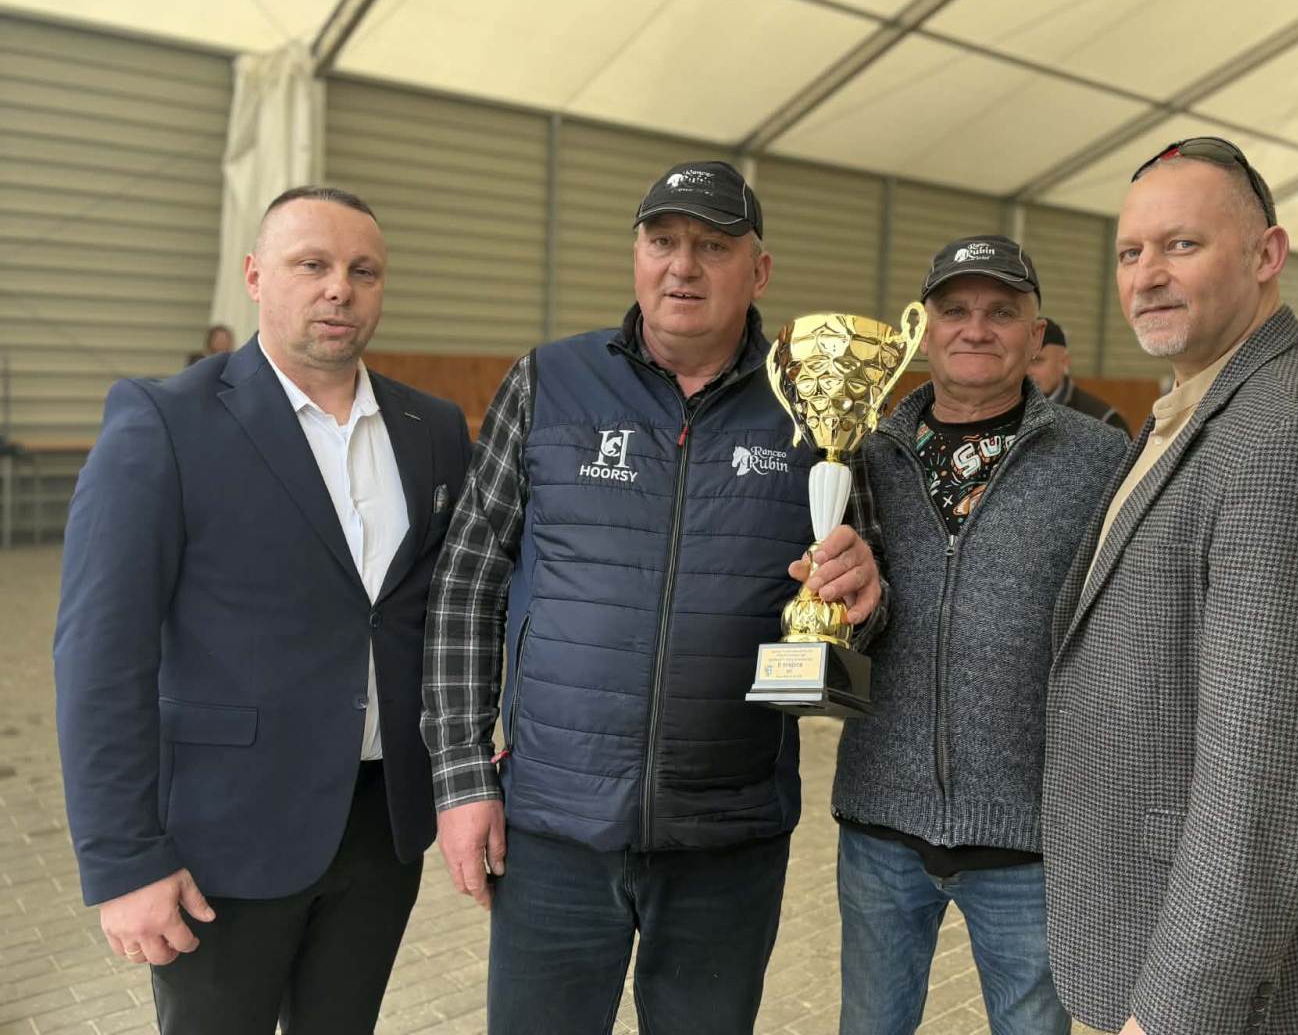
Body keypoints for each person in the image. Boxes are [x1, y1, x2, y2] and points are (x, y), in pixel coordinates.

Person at [421, 160, 885, 1034]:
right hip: (552, 828)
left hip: (729, 838)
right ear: (635, 254)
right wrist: (461, 779)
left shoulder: (818, 404)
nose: (683, 267)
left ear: (759, 270)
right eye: (663, 241)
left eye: (713, 246)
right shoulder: (548, 381)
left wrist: (865, 596)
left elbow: (867, 601)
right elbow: (467, 585)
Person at [53, 186, 471, 1034]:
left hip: (380, 826)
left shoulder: (431, 428)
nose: (339, 288)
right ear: (253, 275)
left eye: (363, 271)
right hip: (224, 839)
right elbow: (100, 654)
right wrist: (125, 861)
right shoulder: (165, 423)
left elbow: (450, 613)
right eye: (311, 265)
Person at [1041, 137, 1298, 1034]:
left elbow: (1269, 770)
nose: (1147, 275)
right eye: (1130, 252)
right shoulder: (1205, 404)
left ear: (1266, 255)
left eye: (1182, 245)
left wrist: (1178, 1010)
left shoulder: (1289, 436)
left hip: (1232, 985)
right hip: (1156, 919)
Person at [831, 236, 1126, 1035]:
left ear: (1036, 334)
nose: (976, 328)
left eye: (1002, 311)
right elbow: (845, 619)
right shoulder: (860, 453)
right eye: (955, 310)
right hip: (881, 820)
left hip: (1033, 834)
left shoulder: (1100, 459)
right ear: (924, 331)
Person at [1027, 318, 1130, 435]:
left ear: (1064, 362)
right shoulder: (1011, 411)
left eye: (1037, 361)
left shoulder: (1104, 420)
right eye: (1023, 361)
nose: (1027, 371)